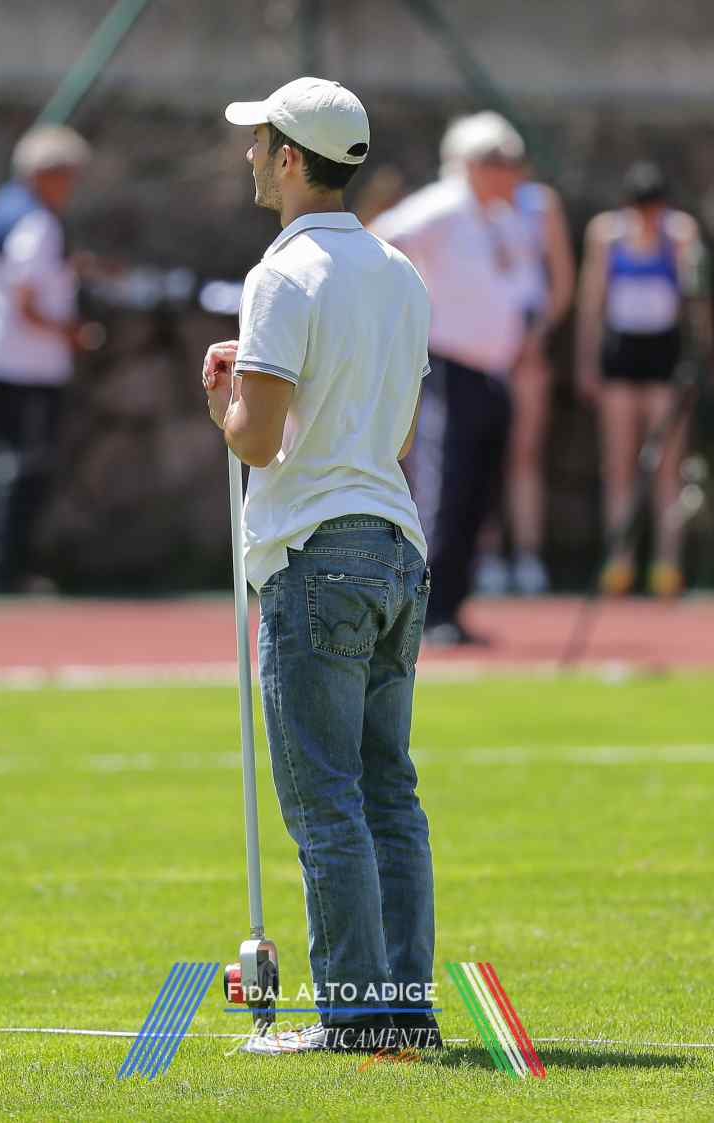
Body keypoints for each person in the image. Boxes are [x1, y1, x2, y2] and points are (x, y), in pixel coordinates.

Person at [201, 77, 437, 1055]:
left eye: (261, 142)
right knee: (389, 794)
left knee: (326, 798)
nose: (250, 156)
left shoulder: (281, 274)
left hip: (315, 551)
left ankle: (353, 1017)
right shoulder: (400, 271)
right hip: (395, 544)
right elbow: (395, 430)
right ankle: (403, 1010)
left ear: (291, 158)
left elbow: (256, 441)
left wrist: (222, 400)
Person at [370, 111, 538, 645]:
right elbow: (379, 242)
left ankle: (453, 606)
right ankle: (427, 608)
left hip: (494, 371)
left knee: (477, 493)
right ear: (470, 164)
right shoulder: (441, 207)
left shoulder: (504, 218)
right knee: (446, 487)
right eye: (499, 160)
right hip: (449, 367)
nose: (511, 171)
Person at [0, 125, 99, 594]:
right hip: (27, 361)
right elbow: (25, 300)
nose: (71, 185)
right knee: (24, 466)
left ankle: (1, 570)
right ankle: (5, 572)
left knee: (10, 461)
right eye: (67, 174)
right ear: (46, 173)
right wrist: (73, 332)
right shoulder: (37, 222)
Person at [575, 161, 711, 598]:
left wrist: (699, 358)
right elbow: (591, 302)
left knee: (667, 464)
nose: (647, 216)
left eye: (654, 207)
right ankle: (620, 559)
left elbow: (697, 300)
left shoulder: (680, 233)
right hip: (621, 355)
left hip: (663, 356)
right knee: (619, 464)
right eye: (640, 207)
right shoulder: (606, 234)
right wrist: (586, 362)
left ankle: (668, 562)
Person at [473, 170, 576, 597]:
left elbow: (562, 283)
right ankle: (486, 555)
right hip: (480, 348)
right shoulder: (466, 204)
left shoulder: (540, 203)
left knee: (524, 454)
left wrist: (537, 335)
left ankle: (528, 556)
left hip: (529, 348)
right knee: (480, 453)